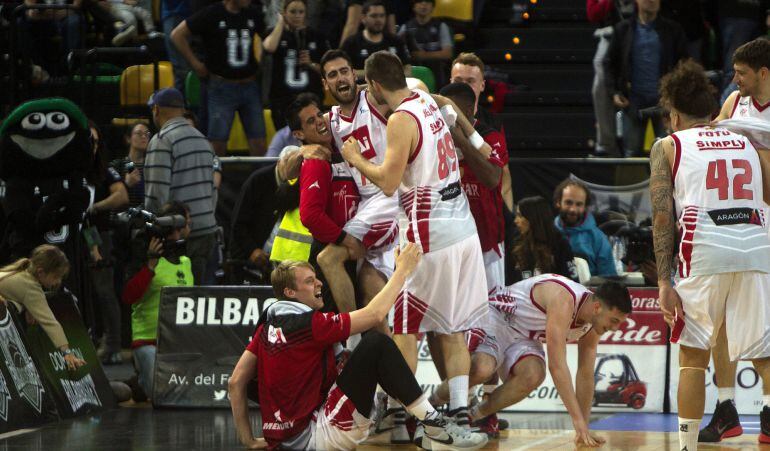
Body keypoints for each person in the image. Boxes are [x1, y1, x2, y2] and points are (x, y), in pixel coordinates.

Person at [340, 51, 489, 444]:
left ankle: (421, 422)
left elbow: (388, 183)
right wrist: (474, 137)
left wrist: (356, 158)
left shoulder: (401, 119)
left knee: (406, 329)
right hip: (463, 229)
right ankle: (459, 415)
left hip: (428, 236)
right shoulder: (423, 95)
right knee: (453, 327)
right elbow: (446, 101)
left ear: (372, 87)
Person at [228, 244, 489, 450]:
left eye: (316, 278)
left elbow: (236, 382)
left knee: (343, 359)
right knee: (375, 344)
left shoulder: (266, 326)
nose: (319, 284)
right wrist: (402, 270)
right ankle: (433, 424)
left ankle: (395, 413)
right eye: (309, 281)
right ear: (290, 293)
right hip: (316, 437)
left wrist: (248, 439)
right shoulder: (311, 324)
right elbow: (375, 315)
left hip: (281, 440)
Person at [650, 59, 770, 450]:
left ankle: (686, 447)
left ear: (672, 115)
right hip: (755, 247)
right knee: (765, 354)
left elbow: (662, 218)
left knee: (693, 357)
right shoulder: (747, 140)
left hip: (704, 250)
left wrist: (664, 281)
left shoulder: (669, 145)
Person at [433, 275, 630, 447]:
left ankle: (474, 416)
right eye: (614, 321)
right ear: (597, 307)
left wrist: (583, 427)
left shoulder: (593, 326)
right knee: (482, 369)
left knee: (533, 375)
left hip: (525, 336)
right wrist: (576, 420)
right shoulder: (564, 299)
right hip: (500, 318)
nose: (615, 329)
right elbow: (558, 366)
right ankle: (428, 408)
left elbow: (586, 375)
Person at [699, 37, 770, 443]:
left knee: (764, 320)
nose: (734, 78)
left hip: (768, 220)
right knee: (721, 316)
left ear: (763, 73)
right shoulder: (732, 103)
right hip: (737, 220)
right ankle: (726, 407)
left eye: (741, 73)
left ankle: (767, 407)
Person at [171, 0, 267, 156]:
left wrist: (261, 60)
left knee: (259, 142)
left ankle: (259, 179)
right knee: (217, 143)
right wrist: (195, 64)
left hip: (249, 84)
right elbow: (177, 35)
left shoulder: (253, 14)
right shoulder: (211, 13)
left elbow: (267, 38)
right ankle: (216, 179)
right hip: (222, 86)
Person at [144, 87, 217, 285]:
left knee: (174, 302)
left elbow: (156, 193)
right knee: (197, 303)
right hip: (206, 230)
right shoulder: (202, 140)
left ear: (156, 110)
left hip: (177, 233)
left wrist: (150, 228)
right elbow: (213, 190)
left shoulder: (162, 140)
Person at [121, 201, 192, 398]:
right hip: (148, 340)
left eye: (179, 230)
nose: (177, 236)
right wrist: (150, 266)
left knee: (186, 392)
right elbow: (129, 297)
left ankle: (137, 383)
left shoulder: (186, 263)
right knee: (160, 394)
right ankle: (139, 383)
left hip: (179, 343)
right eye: (173, 232)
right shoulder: (144, 262)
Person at [605, 0, 688, 157]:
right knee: (631, 153)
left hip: (664, 103)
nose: (652, 1)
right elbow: (609, 64)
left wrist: (675, 96)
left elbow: (684, 65)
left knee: (667, 153)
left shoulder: (673, 30)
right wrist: (614, 92)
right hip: (633, 102)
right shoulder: (623, 30)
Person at [0, 244, 86, 371]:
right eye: (56, 277)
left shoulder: (22, 275)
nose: (58, 282)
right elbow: (50, 322)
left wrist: (26, 306)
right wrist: (67, 353)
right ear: (40, 272)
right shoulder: (31, 288)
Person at [85, 121, 129, 365]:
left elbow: (121, 196)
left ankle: (112, 343)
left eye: (95, 141)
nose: (91, 146)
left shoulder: (103, 168)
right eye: (87, 141)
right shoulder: (69, 168)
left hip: (97, 233)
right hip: (70, 235)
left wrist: (94, 208)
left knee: (104, 290)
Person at [228, 148, 304, 282]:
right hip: (249, 257)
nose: (291, 167)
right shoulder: (257, 181)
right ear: (279, 161)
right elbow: (238, 222)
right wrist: (252, 250)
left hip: (285, 259)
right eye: (287, 161)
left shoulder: (301, 184)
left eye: (296, 163)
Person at [262, 0, 330, 130]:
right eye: (292, 12)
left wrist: (311, 64)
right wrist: (281, 22)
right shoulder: (275, 33)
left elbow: (327, 70)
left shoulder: (317, 36)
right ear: (284, 13)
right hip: (282, 101)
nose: (297, 15)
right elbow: (269, 47)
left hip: (311, 99)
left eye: (301, 12)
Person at [553, 178, 617, 277]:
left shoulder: (598, 239)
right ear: (558, 202)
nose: (573, 209)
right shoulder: (547, 234)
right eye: (568, 202)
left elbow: (609, 281)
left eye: (579, 204)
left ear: (585, 207)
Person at [340, 0, 412, 80]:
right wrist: (378, 73)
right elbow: (344, 71)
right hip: (362, 89)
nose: (378, 20)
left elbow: (408, 69)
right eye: (374, 16)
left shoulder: (396, 41)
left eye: (382, 16)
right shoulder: (351, 43)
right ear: (363, 18)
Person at [512, 196, 577, 282]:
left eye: (520, 216)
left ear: (533, 218)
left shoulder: (560, 244)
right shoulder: (517, 243)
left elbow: (572, 283)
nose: (515, 221)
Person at [398, 0, 453, 88]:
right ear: (413, 6)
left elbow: (447, 53)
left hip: (436, 69)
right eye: (419, 1)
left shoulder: (441, 26)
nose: (423, 4)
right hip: (412, 68)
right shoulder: (405, 28)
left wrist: (423, 55)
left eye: (427, 2)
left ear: (433, 6)